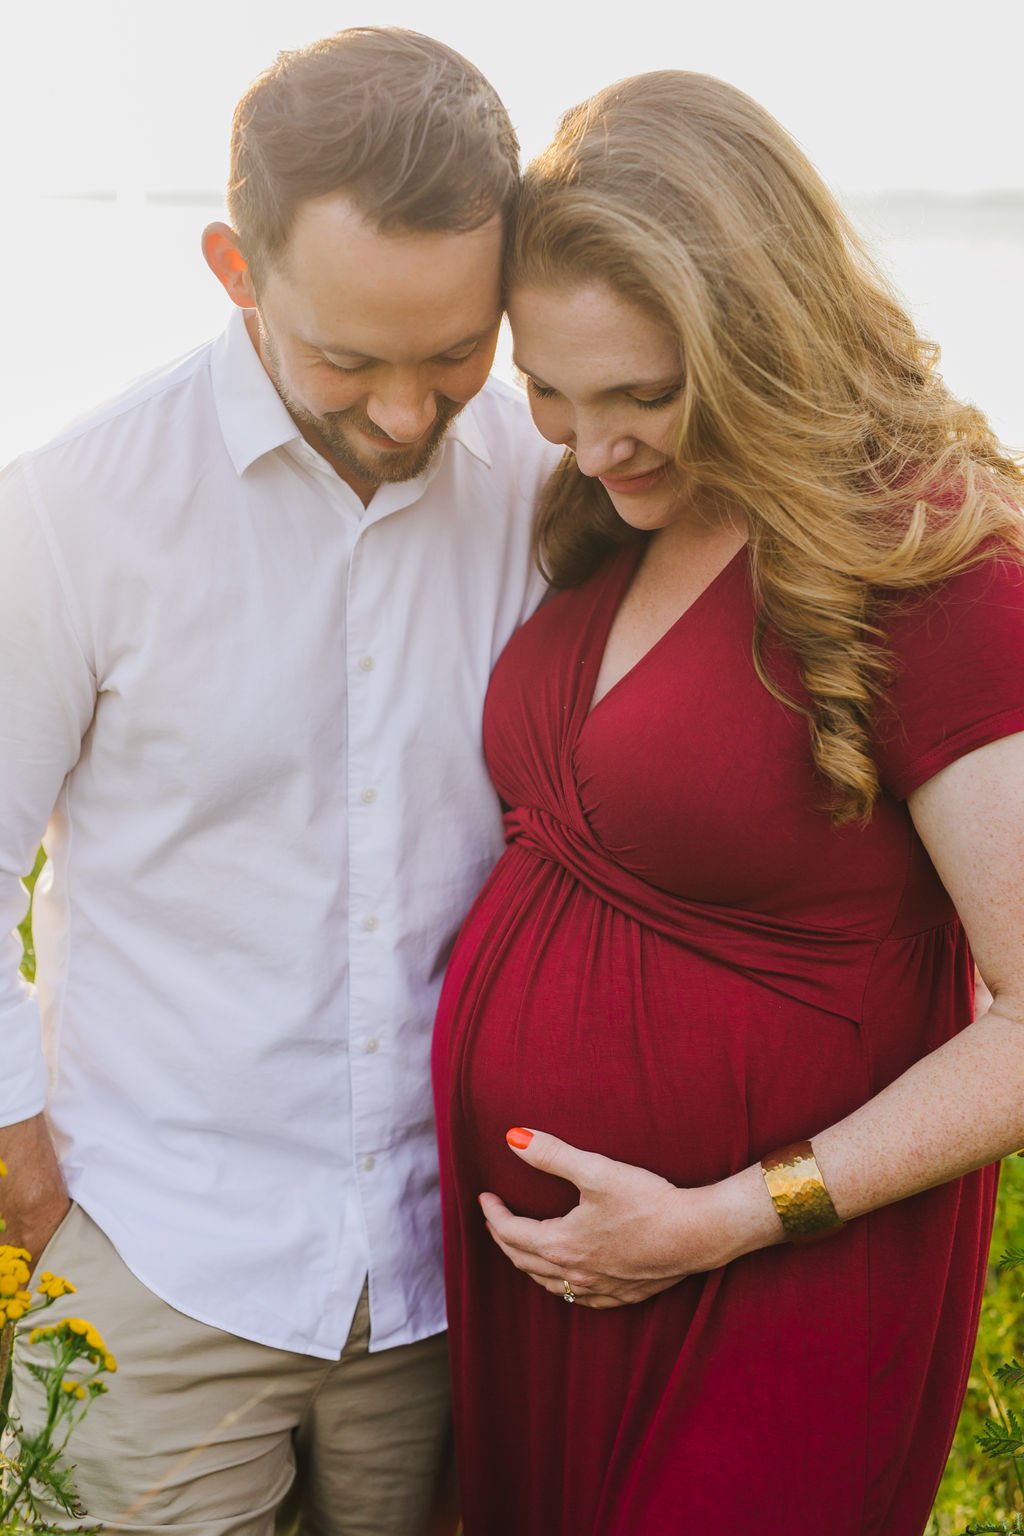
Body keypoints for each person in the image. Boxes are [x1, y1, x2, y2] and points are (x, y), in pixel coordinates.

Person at [432, 69, 1024, 1535]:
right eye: (551, 395)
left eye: (643, 395)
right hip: (561, 1286)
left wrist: (726, 1219)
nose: (594, 442)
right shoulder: (605, 512)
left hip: (776, 1285)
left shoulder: (928, 562)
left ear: (759, 335)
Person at [0, 27, 557, 1535]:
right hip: (151, 1257)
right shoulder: (71, 510)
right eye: (350, 357)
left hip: (454, 1282)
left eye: (454, 353)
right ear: (233, 267)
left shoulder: (548, 490)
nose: (402, 411)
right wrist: (24, 1174)